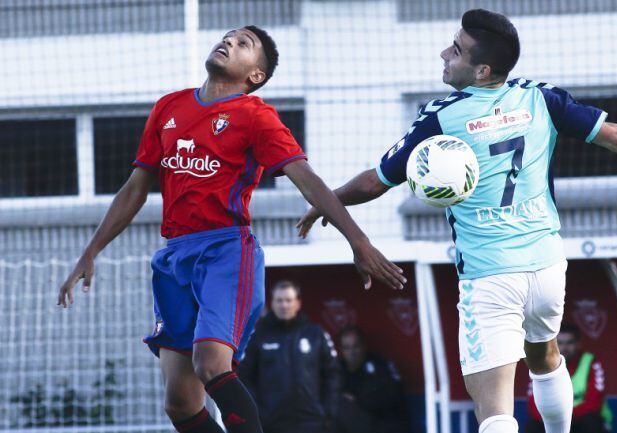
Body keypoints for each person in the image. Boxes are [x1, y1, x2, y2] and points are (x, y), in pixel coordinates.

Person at [296, 8, 617, 433]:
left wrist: (326, 201)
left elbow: (378, 180)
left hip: (489, 275)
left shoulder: (441, 118)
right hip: (546, 265)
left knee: (493, 404)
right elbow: (613, 133)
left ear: (482, 70)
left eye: (456, 50)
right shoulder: (539, 97)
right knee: (546, 358)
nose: (444, 55)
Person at [57, 25, 406, 433]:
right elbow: (135, 188)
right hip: (173, 257)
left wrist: (358, 241)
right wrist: (91, 250)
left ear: (254, 75)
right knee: (180, 403)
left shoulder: (256, 116)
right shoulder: (167, 108)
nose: (228, 42)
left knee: (211, 362)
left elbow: (307, 179)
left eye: (244, 44)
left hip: (226, 251)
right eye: (228, 36)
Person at [238, 281, 340, 433]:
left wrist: (327, 411)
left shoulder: (316, 334)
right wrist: (258, 413)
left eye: (288, 300)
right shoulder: (257, 336)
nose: (284, 305)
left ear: (298, 303)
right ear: (272, 303)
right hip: (271, 423)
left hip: (312, 422)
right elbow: (244, 377)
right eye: (279, 300)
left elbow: (333, 374)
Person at [525, 324, 610, 433]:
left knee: (590, 422)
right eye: (560, 343)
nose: (564, 348)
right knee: (533, 425)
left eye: (569, 343)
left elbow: (593, 403)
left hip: (581, 420)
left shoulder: (590, 361)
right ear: (553, 345)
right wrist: (555, 420)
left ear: (578, 344)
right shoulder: (543, 364)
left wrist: (563, 418)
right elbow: (533, 404)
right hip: (553, 421)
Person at [336, 325, 410, 433]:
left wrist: (357, 399)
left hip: (383, 424)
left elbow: (394, 394)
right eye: (346, 348)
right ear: (341, 350)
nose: (352, 352)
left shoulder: (380, 365)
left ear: (364, 346)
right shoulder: (337, 369)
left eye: (356, 346)